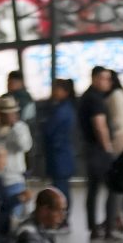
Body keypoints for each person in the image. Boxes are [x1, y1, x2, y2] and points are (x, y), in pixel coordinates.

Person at [78, 67, 120, 239]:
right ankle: (110, 229)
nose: (108, 82)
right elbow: (100, 125)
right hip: (99, 150)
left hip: (90, 149)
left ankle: (93, 228)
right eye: (105, 78)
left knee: (93, 189)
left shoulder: (86, 97)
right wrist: (108, 147)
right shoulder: (96, 100)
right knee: (114, 188)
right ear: (95, 79)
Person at [36, 78, 79, 214]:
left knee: (61, 188)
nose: (54, 92)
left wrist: (43, 125)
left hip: (59, 155)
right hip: (60, 154)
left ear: (65, 92)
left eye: (57, 89)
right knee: (61, 186)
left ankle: (62, 217)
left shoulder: (62, 110)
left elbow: (50, 129)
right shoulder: (63, 108)